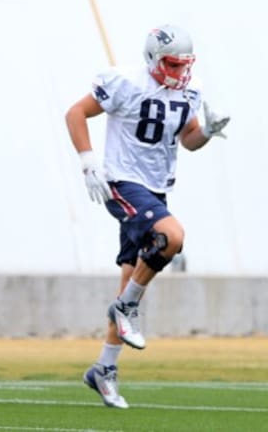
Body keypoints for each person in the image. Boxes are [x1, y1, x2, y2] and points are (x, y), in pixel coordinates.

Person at [65, 24, 230, 408]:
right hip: (122, 181)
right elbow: (76, 112)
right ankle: (126, 307)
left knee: (131, 274)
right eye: (172, 64)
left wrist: (205, 131)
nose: (179, 72)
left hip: (156, 189)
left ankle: (104, 368)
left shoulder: (190, 89)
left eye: (184, 64)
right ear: (154, 59)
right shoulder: (126, 82)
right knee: (171, 237)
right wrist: (88, 161)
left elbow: (187, 139)